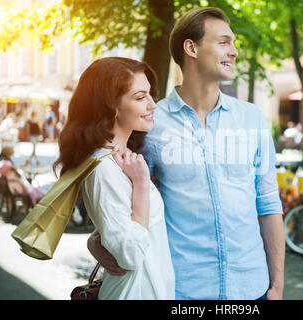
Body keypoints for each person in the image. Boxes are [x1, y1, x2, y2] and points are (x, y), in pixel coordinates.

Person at [88, 7, 285, 300]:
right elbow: (121, 197)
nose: (234, 52)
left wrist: (277, 286)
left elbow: (268, 205)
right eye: (223, 42)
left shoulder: (253, 119)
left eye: (233, 43)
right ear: (191, 47)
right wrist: (97, 240)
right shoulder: (150, 124)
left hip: (252, 289)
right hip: (182, 291)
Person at [53, 57, 174, 300]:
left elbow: (123, 226)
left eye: (150, 95)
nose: (153, 105)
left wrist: (100, 238)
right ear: (111, 107)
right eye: (140, 97)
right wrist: (141, 185)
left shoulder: (123, 157)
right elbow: (130, 254)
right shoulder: (103, 167)